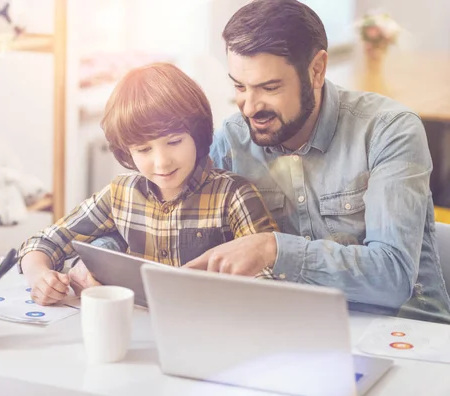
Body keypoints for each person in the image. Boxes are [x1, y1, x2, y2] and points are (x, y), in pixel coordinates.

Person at [181, 0, 450, 323]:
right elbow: (169, 216)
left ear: (317, 70)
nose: (250, 107)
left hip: (405, 332)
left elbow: (392, 278)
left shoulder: (389, 130)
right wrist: (104, 258)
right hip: (297, 328)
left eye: (269, 87)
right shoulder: (233, 140)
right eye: (239, 86)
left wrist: (274, 250)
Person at [18, 63, 279, 305]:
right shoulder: (121, 194)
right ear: (126, 151)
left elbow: (272, 284)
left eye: (174, 142)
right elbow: (44, 242)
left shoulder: (233, 196)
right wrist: (38, 276)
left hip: (212, 327)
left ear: (197, 134)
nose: (162, 162)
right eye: (143, 150)